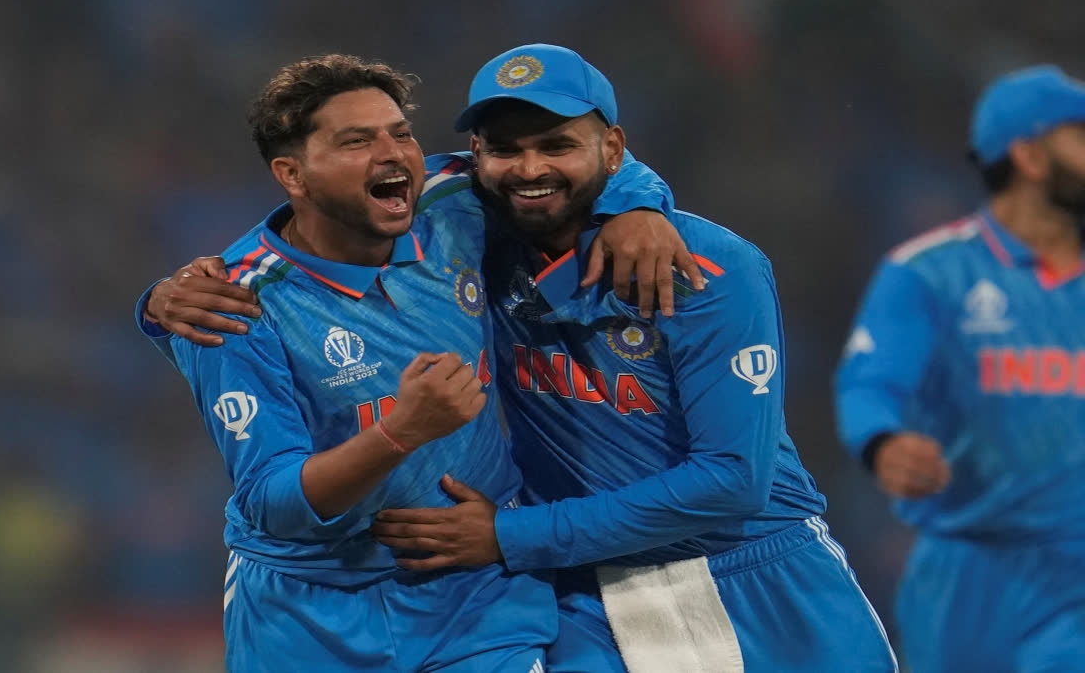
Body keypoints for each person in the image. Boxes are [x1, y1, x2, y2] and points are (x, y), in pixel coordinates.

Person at [156, 44, 897, 672]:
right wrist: (159, 299)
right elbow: (271, 487)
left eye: (557, 144)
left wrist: (641, 201)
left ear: (612, 147)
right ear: (476, 156)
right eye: (505, 148)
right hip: (577, 589)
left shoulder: (703, 266)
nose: (528, 168)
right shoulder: (461, 221)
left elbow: (734, 480)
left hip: (756, 570)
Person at [835, 64, 1085, 672]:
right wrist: (885, 443)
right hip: (966, 569)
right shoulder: (928, 272)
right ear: (1028, 155)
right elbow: (870, 382)